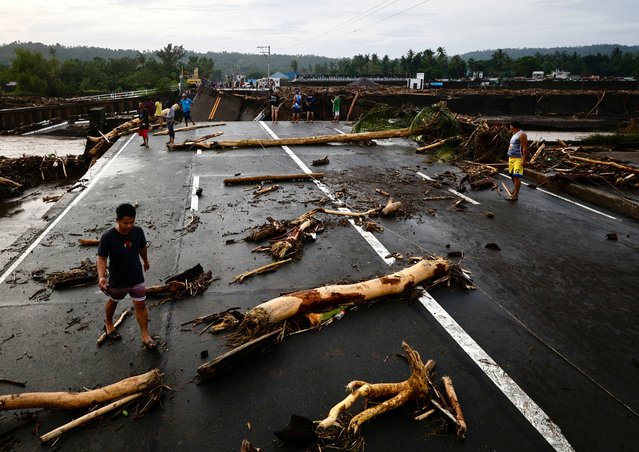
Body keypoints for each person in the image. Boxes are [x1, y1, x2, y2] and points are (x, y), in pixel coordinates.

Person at [97, 203, 158, 350]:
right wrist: (101, 277)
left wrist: (145, 260)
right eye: (125, 223)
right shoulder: (108, 237)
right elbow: (101, 258)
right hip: (118, 279)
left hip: (136, 276)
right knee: (113, 301)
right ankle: (109, 324)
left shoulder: (138, 232)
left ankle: (145, 336)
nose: (129, 225)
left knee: (140, 305)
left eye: (132, 222)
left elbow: (142, 247)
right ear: (117, 220)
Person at [505, 120, 528, 201]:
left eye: (510, 126)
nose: (509, 128)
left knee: (516, 177)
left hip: (518, 159)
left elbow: (525, 148)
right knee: (512, 175)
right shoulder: (514, 134)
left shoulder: (522, 134)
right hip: (511, 158)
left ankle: (515, 195)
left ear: (513, 126)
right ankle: (515, 189)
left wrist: (524, 160)